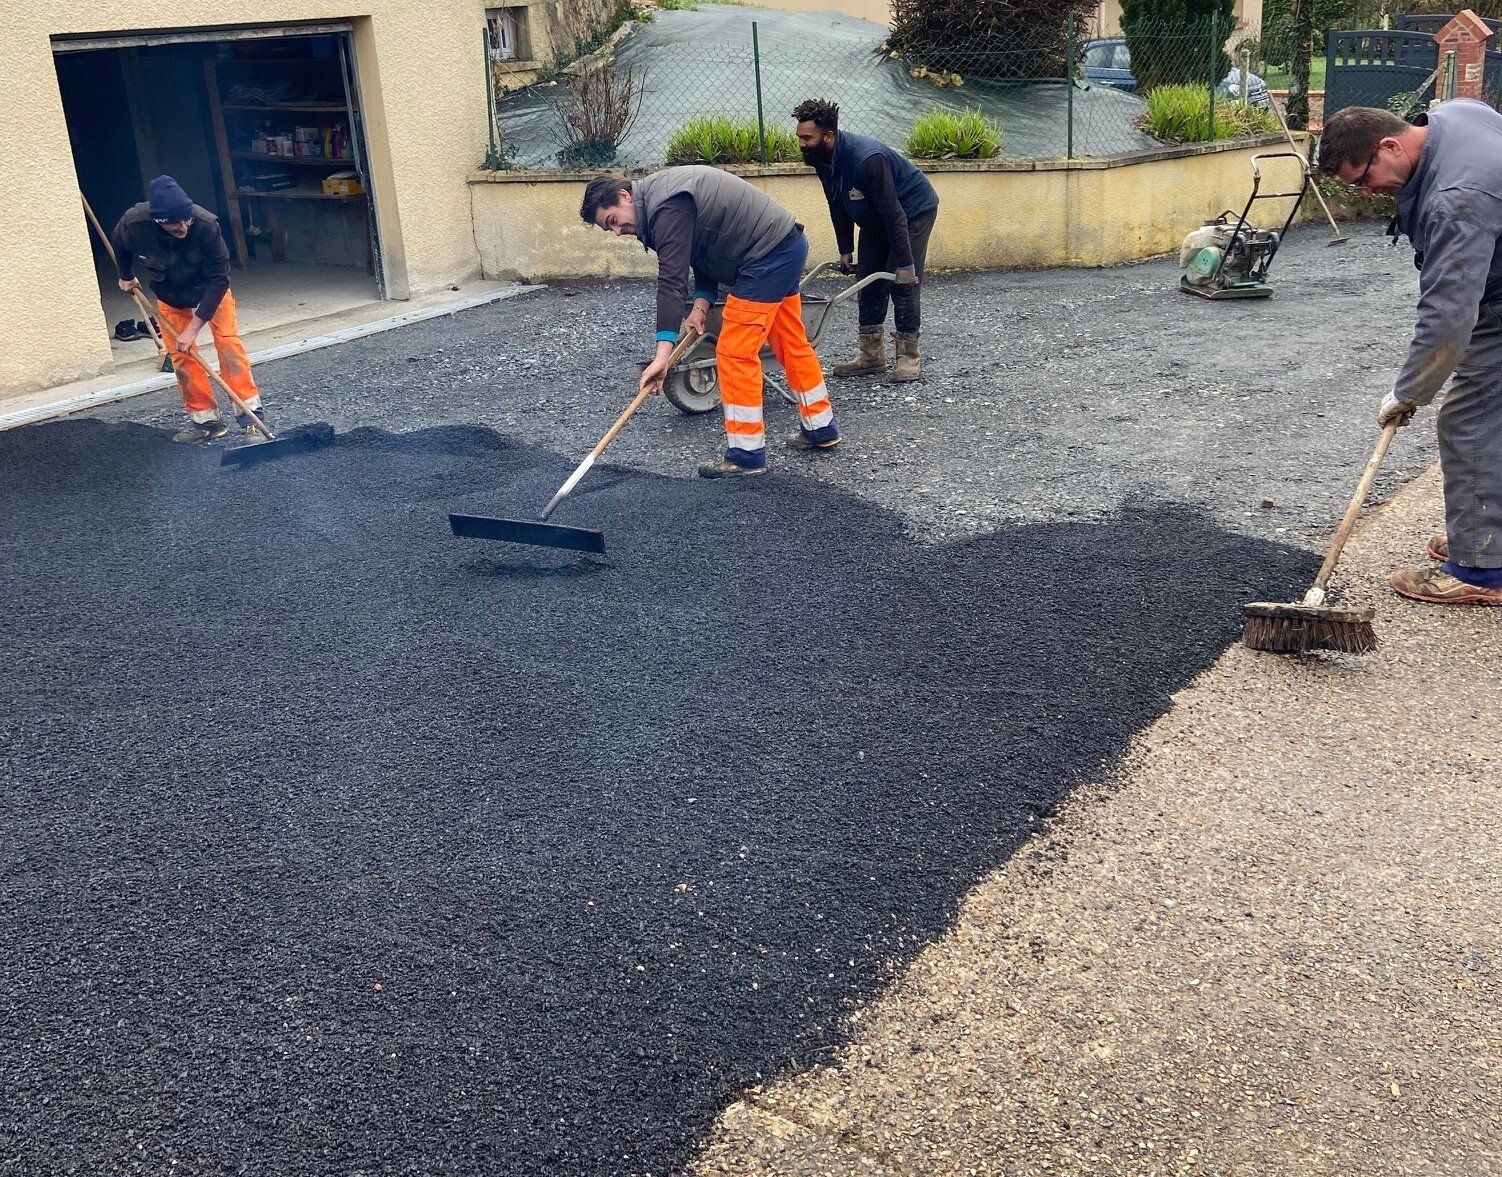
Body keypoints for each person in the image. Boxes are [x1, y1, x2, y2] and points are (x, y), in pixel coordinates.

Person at [1319, 101, 1502, 606]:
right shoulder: (1455, 115)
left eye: (1363, 179)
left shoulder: (1456, 200)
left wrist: (1407, 393)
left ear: (1390, 146)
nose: (1367, 193)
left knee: (1471, 420)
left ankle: (1483, 570)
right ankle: (1490, 537)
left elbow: (1448, 316)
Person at [580, 166, 838, 478]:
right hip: (786, 245)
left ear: (623, 197)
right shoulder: (661, 202)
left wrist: (662, 356)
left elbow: (672, 281)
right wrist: (702, 302)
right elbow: (702, 250)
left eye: (613, 221)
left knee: (734, 352)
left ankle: (746, 454)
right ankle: (821, 428)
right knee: (790, 340)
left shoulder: (666, 205)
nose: (618, 232)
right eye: (611, 230)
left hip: (765, 258)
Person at [792, 98, 940, 382]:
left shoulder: (867, 160)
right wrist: (845, 249)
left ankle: (908, 356)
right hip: (876, 215)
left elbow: (894, 214)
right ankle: (871, 355)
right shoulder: (822, 159)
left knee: (901, 281)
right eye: (799, 137)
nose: (802, 143)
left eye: (807, 138)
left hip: (911, 212)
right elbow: (837, 203)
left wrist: (907, 264)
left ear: (829, 136)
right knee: (869, 276)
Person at [111, 175, 266, 445]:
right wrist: (125, 275)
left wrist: (194, 328)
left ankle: (251, 416)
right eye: (174, 223)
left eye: (186, 220)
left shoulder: (206, 225)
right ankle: (206, 422)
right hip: (170, 293)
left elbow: (220, 279)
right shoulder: (135, 223)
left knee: (229, 345)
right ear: (158, 221)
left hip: (210, 290)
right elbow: (120, 244)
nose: (183, 227)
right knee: (181, 356)